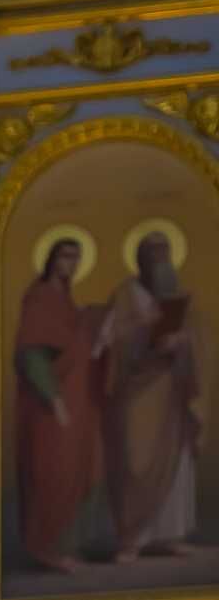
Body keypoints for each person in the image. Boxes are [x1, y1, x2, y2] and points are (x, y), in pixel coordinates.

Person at [99, 229, 204, 561]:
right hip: (135, 393)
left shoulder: (175, 295)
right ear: (140, 260)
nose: (160, 261)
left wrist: (183, 343)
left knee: (176, 465)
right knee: (133, 461)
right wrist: (144, 331)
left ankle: (167, 536)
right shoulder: (124, 295)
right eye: (153, 254)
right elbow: (110, 342)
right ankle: (131, 539)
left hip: (170, 388)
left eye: (165, 254)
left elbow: (196, 339)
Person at [13, 235, 103, 571]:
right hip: (48, 408)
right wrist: (56, 401)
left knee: (79, 468)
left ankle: (67, 546)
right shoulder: (39, 299)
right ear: (52, 259)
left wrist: (98, 332)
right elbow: (32, 355)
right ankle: (48, 546)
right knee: (53, 472)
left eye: (76, 257)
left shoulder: (67, 302)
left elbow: (78, 348)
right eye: (66, 256)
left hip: (75, 403)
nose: (72, 263)